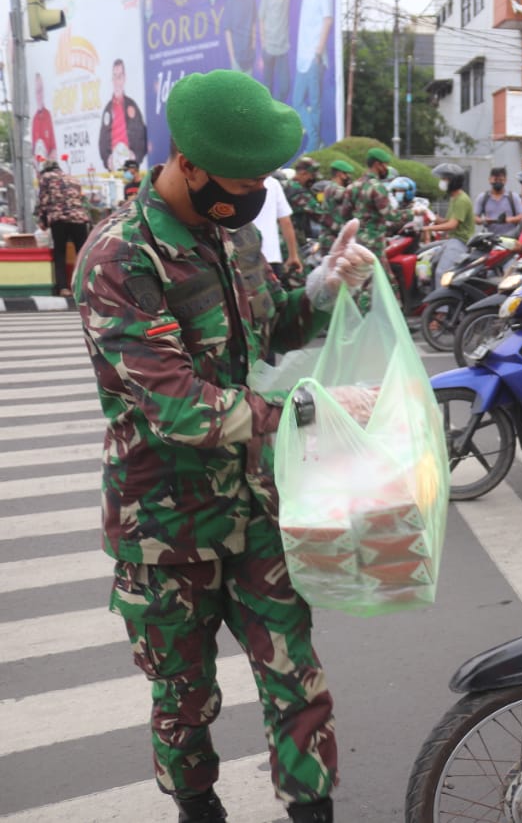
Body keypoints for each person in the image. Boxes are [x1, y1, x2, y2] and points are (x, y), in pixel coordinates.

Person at [72, 69, 375, 823]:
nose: (255, 194)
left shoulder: (235, 236)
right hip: (164, 527)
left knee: (296, 679)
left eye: (262, 181)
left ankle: (313, 812)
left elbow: (271, 331)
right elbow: (175, 408)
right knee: (185, 699)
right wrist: (312, 408)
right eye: (243, 180)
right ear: (188, 165)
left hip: (253, 509)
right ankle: (198, 809)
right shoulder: (119, 258)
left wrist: (323, 289)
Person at [342, 147, 414, 304]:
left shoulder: (352, 187)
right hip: (374, 242)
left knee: (361, 280)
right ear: (377, 164)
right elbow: (390, 215)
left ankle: (360, 317)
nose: (385, 169)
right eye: (384, 165)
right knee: (386, 282)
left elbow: (345, 215)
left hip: (357, 242)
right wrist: (411, 213)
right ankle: (394, 320)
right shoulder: (377, 187)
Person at [291, 0, 334, 152]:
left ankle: (314, 144)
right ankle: (315, 141)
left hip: (313, 53)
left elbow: (328, 18)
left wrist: (318, 49)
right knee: (298, 101)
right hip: (303, 54)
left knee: (314, 103)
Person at [36, 159, 91, 297]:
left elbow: (44, 200)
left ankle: (63, 288)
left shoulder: (46, 177)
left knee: (60, 253)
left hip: (59, 219)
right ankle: (86, 287)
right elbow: (81, 200)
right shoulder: (72, 179)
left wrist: (42, 221)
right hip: (79, 219)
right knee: (83, 254)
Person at [423, 163, 475, 276]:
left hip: (460, 241)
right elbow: (447, 221)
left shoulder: (461, 200)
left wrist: (428, 228)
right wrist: (435, 218)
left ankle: (442, 294)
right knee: (431, 263)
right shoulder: (454, 198)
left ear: (453, 181)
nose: (442, 181)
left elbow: (452, 225)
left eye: (444, 179)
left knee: (441, 272)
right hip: (452, 240)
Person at [260, 0, 304, 101]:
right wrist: (263, 43)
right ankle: (268, 117)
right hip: (268, 47)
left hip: (282, 48)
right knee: (267, 89)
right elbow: (261, 16)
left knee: (285, 87)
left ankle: (274, 109)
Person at [98, 59, 148, 171]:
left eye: (120, 76)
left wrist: (136, 157)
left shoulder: (132, 106)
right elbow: (102, 142)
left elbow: (143, 137)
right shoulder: (107, 110)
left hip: (131, 169)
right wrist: (107, 159)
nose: (117, 81)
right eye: (114, 76)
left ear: (124, 78)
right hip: (114, 170)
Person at [253, 173, 302, 279]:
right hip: (271, 255)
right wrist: (293, 255)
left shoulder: (235, 180)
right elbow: (286, 221)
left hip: (244, 256)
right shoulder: (272, 183)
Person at [315, 158, 355, 252]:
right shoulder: (333, 188)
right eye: (347, 174)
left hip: (334, 237)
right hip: (331, 239)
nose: (349, 177)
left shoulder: (332, 187)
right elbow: (349, 195)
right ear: (339, 174)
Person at [224, 0, 258, 74]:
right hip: (237, 61)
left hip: (249, 58)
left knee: (248, 90)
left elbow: (253, 23)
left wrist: (253, 46)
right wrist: (232, 58)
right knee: (236, 90)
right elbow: (227, 30)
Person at [475, 167, 522, 236]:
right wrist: (484, 220)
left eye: (501, 180)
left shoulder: (513, 197)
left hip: (511, 237)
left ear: (505, 180)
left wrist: (509, 220)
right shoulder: (482, 198)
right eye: (495, 179)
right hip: (490, 237)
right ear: (489, 180)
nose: (498, 182)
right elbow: (475, 218)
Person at [286, 156, 323, 241]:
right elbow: (321, 215)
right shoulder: (299, 192)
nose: (312, 179)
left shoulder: (287, 185)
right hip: (293, 238)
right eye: (311, 176)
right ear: (303, 173)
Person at [32, 72, 56, 161]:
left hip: (49, 168)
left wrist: (48, 162)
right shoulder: (34, 119)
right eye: (37, 92)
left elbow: (54, 148)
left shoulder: (48, 116)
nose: (39, 95)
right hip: (39, 170)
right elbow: (32, 151)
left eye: (41, 90)